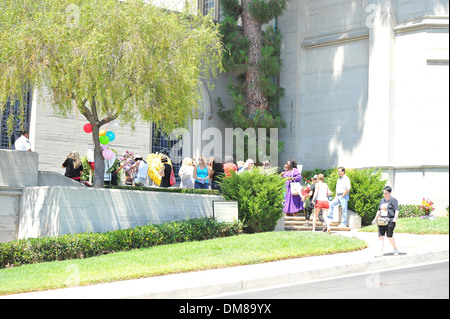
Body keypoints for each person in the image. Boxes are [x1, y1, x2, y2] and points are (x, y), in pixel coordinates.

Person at [372, 186, 400, 257]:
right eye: (384, 193)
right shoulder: (382, 200)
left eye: (386, 193)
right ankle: (380, 252)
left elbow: (397, 210)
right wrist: (375, 218)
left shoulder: (393, 200)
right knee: (381, 236)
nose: (385, 195)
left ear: (390, 193)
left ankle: (395, 248)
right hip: (382, 220)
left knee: (389, 236)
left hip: (390, 220)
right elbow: (379, 210)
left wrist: (395, 218)